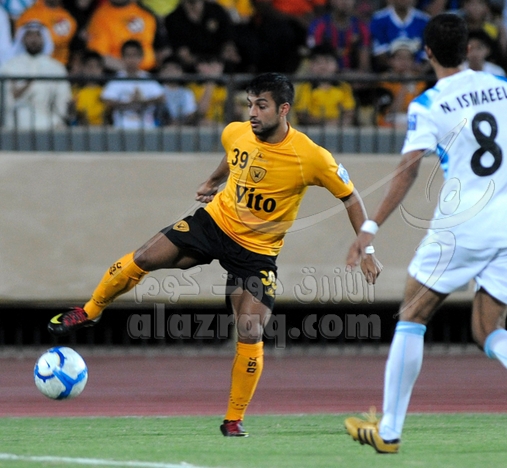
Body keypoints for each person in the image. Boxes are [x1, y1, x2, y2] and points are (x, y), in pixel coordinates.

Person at [47, 72, 382, 437]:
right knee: (144, 257)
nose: (252, 113)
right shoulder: (236, 131)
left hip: (257, 252)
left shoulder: (312, 156)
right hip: (215, 224)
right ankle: (89, 311)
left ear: (284, 109)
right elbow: (233, 156)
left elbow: (350, 197)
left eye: (261, 106)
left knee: (250, 330)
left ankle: (233, 419)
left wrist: (366, 248)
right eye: (250, 104)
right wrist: (213, 180)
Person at [344, 13, 507, 454]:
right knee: (488, 328)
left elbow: (408, 171)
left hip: (464, 224)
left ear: (427, 53)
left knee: (412, 315)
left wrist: (369, 227)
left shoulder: (429, 104)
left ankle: (389, 432)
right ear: (467, 50)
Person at [0, 21, 72, 130]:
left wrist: (63, 114)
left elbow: (62, 101)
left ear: (44, 38)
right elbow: (4, 100)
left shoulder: (56, 68)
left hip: (48, 121)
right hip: (15, 121)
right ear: (22, 38)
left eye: (38, 35)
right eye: (29, 35)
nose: (33, 39)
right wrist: (18, 93)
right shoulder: (9, 66)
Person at [86, 0, 165, 72]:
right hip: (117, 74)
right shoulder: (100, 16)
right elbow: (98, 55)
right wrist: (131, 70)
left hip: (151, 73)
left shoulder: (146, 13)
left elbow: (162, 48)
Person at [101, 40, 165, 129]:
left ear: (141, 57)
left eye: (135, 55)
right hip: (121, 128)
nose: (131, 60)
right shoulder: (116, 79)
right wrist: (130, 104)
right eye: (128, 55)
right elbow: (107, 99)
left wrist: (142, 103)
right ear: (122, 58)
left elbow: (161, 97)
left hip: (147, 128)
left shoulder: (148, 78)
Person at [164, 0, 238, 73]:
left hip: (219, 65)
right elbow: (182, 53)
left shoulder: (217, 11)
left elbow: (228, 43)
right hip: (191, 68)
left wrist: (218, 64)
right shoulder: (174, 18)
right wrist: (201, 65)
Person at [295, 44, 356, 127]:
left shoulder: (344, 87)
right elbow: (301, 115)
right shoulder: (305, 87)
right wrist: (326, 124)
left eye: (327, 61)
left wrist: (338, 123)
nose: (323, 66)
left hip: (340, 130)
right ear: (310, 65)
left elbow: (350, 112)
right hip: (313, 130)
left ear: (336, 65)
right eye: (317, 62)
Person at [307, 0, 371, 74]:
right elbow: (315, 59)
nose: (345, 2)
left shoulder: (362, 27)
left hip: (352, 77)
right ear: (332, 1)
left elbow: (364, 66)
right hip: (325, 76)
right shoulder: (318, 25)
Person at [375, 42, 426, 129]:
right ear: (391, 61)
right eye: (399, 58)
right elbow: (392, 112)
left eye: (408, 58)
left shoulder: (420, 82)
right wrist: (405, 85)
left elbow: (422, 111)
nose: (404, 62)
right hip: (388, 127)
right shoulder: (384, 83)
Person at [369, 0, 430, 72]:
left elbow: (428, 54)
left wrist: (421, 70)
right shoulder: (378, 19)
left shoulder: (424, 20)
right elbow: (379, 52)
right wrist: (397, 66)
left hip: (417, 73)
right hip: (388, 72)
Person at [16, 0, 77, 66]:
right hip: (28, 63)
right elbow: (19, 38)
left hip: (57, 64)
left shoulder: (67, 18)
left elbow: (58, 41)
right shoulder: (29, 13)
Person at [156, 55, 198, 126]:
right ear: (161, 72)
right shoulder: (156, 90)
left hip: (181, 128)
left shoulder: (187, 93)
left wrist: (178, 123)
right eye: (167, 68)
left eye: (175, 68)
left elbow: (190, 114)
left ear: (182, 73)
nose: (171, 72)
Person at [71, 49, 107, 125]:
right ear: (83, 68)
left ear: (101, 69)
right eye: (89, 66)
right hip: (81, 128)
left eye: (97, 66)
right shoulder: (75, 91)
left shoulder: (107, 92)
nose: (93, 70)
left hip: (102, 129)